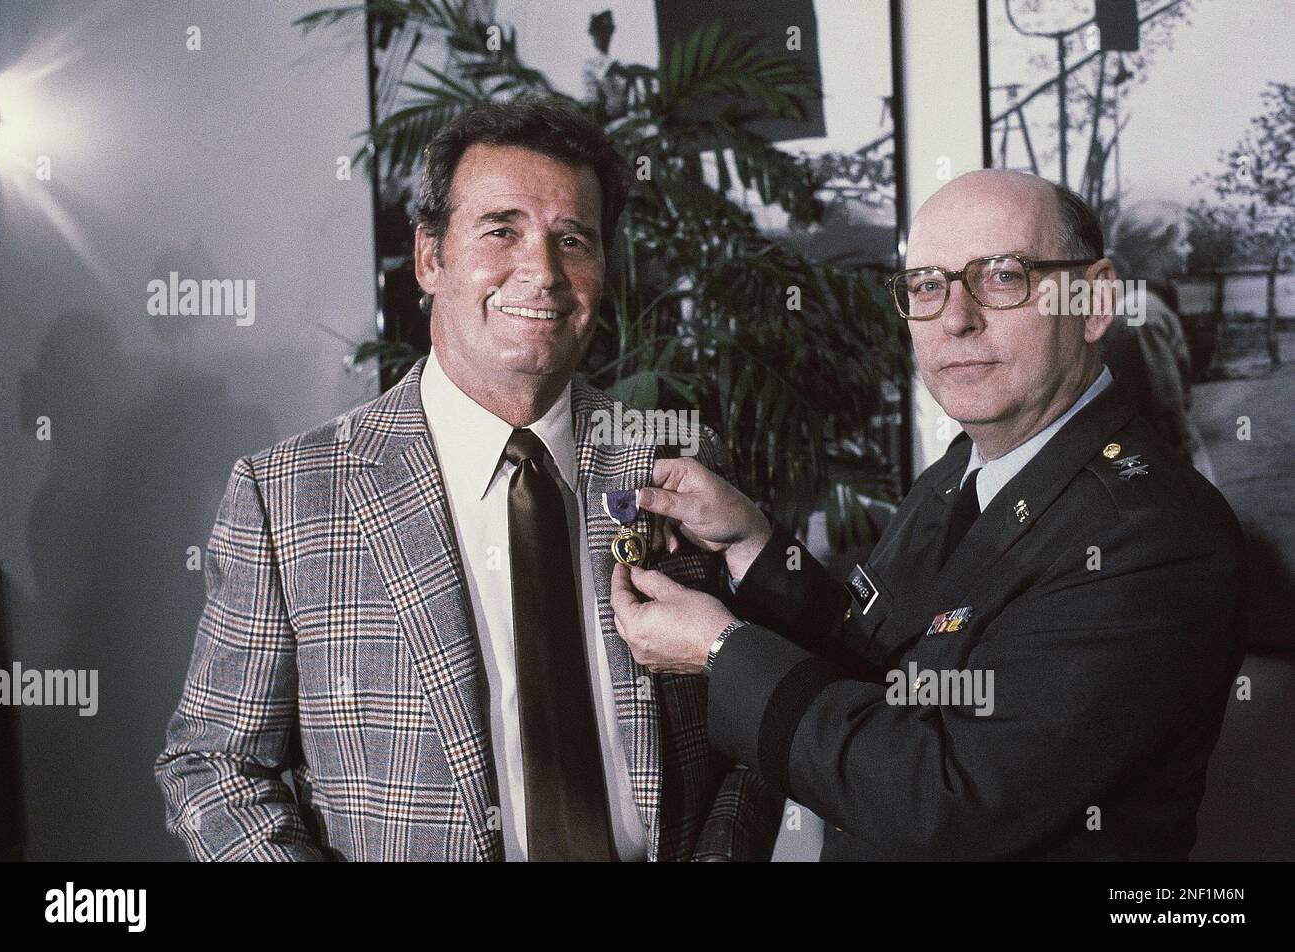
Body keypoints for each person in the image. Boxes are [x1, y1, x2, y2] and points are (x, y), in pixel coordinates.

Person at [155, 99, 780, 862]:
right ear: (429, 258)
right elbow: (216, 764)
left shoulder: (676, 458)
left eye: (572, 239)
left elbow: (757, 708)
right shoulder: (289, 496)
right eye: (500, 229)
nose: (541, 272)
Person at [610, 170, 1245, 860]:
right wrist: (752, 543)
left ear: (1093, 302)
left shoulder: (1154, 535)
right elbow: (883, 664)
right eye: (927, 285)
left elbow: (947, 797)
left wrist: (719, 651)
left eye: (1002, 276)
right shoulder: (963, 468)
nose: (954, 317)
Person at [1102, 200, 1216, 482]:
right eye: (1181, 243)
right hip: (1164, 466)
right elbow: (1164, 411)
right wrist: (1190, 479)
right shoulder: (1144, 312)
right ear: (1154, 250)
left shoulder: (1144, 302)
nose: (1188, 250)